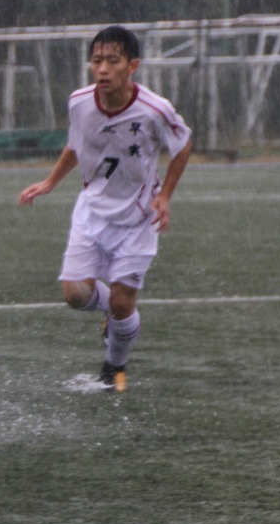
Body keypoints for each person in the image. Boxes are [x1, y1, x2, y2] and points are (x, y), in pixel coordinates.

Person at [17, 25, 192, 393]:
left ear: (133, 65)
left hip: (138, 218)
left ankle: (114, 368)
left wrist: (165, 196)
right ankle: (110, 314)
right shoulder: (80, 101)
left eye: (113, 60)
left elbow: (183, 144)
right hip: (92, 212)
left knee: (123, 301)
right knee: (74, 295)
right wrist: (49, 182)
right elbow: (76, 145)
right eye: (97, 60)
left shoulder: (154, 109)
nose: (103, 69)